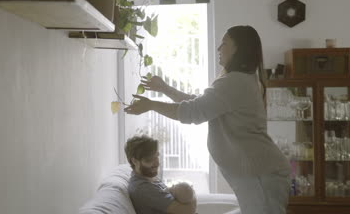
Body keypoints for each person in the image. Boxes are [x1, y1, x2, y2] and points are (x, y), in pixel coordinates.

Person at [124, 25, 291, 214]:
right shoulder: (237, 80)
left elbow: (193, 112)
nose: (219, 49)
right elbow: (199, 104)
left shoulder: (236, 82)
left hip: (260, 173)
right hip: (258, 173)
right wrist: (165, 89)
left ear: (239, 48)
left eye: (224, 43)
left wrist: (152, 105)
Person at [125, 135, 197, 214]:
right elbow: (189, 211)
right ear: (134, 161)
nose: (157, 163)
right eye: (149, 160)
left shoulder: (149, 177)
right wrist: (191, 192)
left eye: (157, 156)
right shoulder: (143, 189)